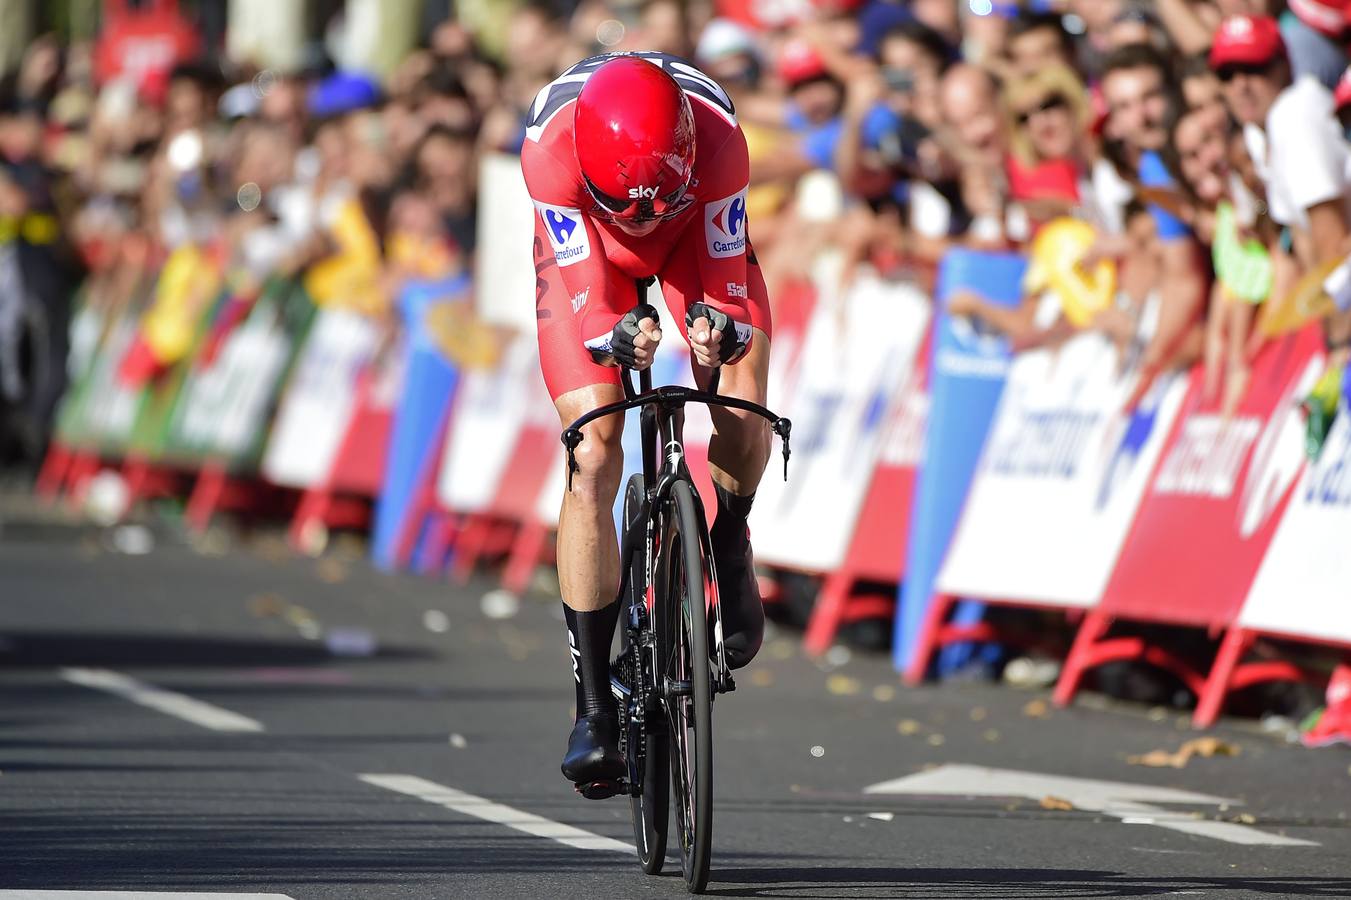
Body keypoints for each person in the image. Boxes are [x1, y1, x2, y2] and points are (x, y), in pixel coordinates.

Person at [520, 53, 773, 796]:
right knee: (592, 452)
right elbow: (587, 301)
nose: (641, 218)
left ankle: (729, 537)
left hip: (697, 237)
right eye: (624, 203)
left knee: (740, 391)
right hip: (587, 259)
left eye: (652, 202)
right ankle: (593, 705)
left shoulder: (721, 140)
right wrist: (612, 332)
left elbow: (726, 283)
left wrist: (717, 329)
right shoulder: (547, 149)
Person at [1212, 14, 1351, 364]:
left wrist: (1339, 342)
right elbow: (1301, 245)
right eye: (1227, 74)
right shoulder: (1259, 131)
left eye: (1253, 68)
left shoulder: (1295, 114)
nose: (1240, 85)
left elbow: (1331, 240)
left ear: (1283, 65)